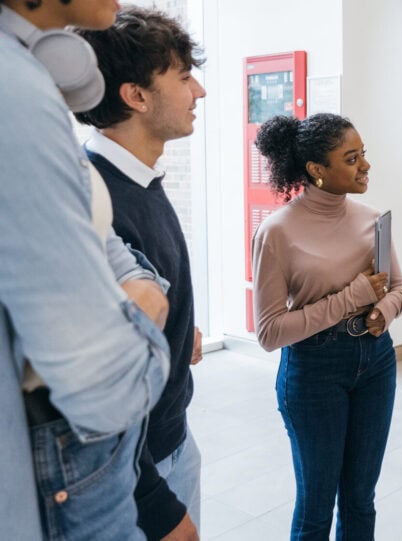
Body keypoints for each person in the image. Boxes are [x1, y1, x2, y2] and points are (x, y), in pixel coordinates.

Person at [0, 0, 171, 539]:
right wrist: (145, 319)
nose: (200, 93)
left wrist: (136, 288)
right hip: (69, 443)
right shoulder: (15, 94)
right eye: (186, 77)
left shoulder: (27, 80)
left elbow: (100, 235)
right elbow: (108, 388)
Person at [74, 7, 206, 540]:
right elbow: (95, 390)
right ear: (136, 95)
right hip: (135, 472)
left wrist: (178, 331)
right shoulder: (90, 197)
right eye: (182, 76)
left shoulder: (140, 180)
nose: (198, 91)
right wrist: (152, 500)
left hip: (174, 437)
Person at [252, 113, 402, 540]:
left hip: (376, 362)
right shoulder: (278, 232)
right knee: (317, 506)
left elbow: (400, 289)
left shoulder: (374, 219)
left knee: (361, 499)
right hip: (313, 370)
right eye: (352, 158)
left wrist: (384, 312)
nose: (366, 166)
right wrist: (352, 298)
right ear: (317, 171)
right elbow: (269, 332)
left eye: (364, 156)